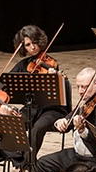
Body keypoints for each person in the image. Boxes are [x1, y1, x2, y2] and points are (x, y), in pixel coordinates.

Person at [33, 67, 96, 172]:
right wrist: (62, 121)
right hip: (81, 153)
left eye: (84, 87)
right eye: (78, 86)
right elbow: (73, 115)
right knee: (44, 164)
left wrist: (82, 130)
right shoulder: (90, 98)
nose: (80, 91)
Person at [11, 24, 69, 155]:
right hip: (31, 108)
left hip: (51, 109)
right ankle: (20, 161)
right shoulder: (23, 65)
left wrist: (55, 79)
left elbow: (60, 90)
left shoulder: (50, 64)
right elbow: (5, 83)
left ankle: (26, 167)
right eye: (28, 45)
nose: (33, 47)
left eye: (35, 43)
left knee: (36, 129)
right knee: (12, 124)